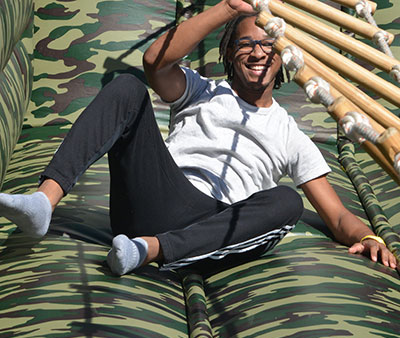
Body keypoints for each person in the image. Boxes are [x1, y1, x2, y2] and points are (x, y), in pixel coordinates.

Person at [0, 0, 397, 274]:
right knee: (126, 88)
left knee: (287, 201)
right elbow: (155, 61)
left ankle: (149, 251)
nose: (258, 52)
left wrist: (365, 234)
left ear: (284, 58)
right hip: (158, 195)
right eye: (246, 43)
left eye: (268, 44)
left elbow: (337, 214)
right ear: (229, 53)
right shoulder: (201, 89)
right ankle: (43, 203)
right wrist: (228, 7)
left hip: (214, 226)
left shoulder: (291, 134)